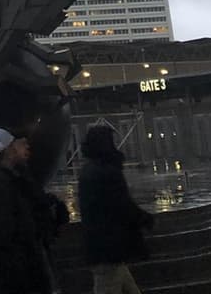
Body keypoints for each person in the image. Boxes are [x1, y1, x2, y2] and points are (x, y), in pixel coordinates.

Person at [0, 128, 52, 294]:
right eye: (15, 144)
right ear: (8, 150)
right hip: (12, 280)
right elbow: (0, 235)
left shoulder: (5, 181)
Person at [78, 125, 154, 294]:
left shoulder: (89, 171)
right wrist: (144, 219)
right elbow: (122, 205)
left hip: (103, 248)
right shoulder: (106, 172)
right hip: (109, 249)